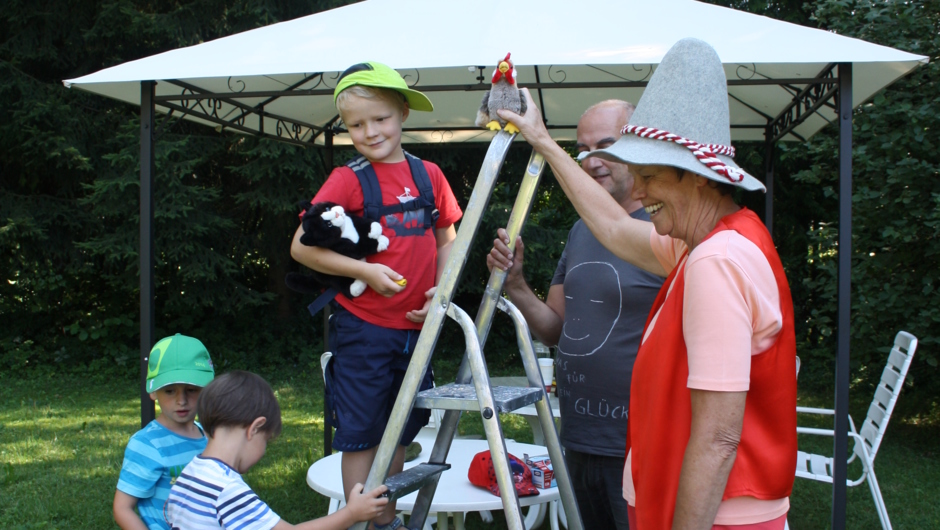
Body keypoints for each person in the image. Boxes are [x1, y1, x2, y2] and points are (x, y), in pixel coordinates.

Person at [499, 38, 797, 530]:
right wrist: (542, 139)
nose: (636, 192)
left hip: (716, 513)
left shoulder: (714, 261)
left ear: (697, 177)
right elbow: (614, 229)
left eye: (651, 178)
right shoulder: (707, 242)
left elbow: (719, 438)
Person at [289, 61, 462, 530]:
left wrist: (438, 294)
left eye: (380, 118)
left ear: (402, 113)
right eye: (356, 124)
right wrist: (364, 268)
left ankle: (386, 520)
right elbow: (300, 246)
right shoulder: (348, 179)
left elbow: (448, 240)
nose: (370, 131)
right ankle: (356, 520)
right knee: (362, 434)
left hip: (416, 329)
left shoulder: (430, 175)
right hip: (364, 328)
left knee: (399, 428)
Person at [487, 99, 663, 529]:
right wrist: (516, 283)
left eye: (606, 144)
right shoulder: (581, 231)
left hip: (640, 445)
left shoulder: (664, 231)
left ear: (639, 142)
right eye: (583, 150)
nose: (592, 160)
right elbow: (555, 331)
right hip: (579, 436)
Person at [165, 371, 388, 529]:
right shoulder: (227, 489)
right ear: (255, 428)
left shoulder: (189, 474)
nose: (263, 452)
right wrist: (351, 513)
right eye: (267, 441)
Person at [114, 334, 216, 530]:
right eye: (170, 391)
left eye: (191, 389)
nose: (182, 400)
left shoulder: (208, 435)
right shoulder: (147, 444)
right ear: (153, 392)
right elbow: (122, 508)